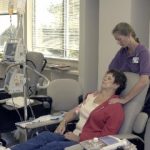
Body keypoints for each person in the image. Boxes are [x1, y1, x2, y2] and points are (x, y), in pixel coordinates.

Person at [11, 69, 127, 150]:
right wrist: (63, 122)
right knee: (45, 136)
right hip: (72, 135)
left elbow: (106, 137)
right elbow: (75, 111)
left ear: (116, 85)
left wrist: (79, 138)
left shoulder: (115, 109)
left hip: (86, 143)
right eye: (105, 76)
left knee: (51, 146)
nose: (104, 79)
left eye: (109, 78)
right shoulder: (92, 96)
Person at [109, 22, 150, 104]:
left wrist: (125, 99)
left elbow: (144, 81)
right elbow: (111, 71)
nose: (118, 42)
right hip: (124, 89)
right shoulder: (122, 52)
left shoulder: (143, 52)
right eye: (116, 40)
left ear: (129, 34)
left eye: (119, 39)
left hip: (139, 93)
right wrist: (103, 91)